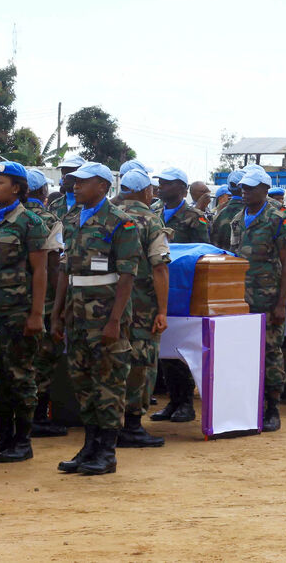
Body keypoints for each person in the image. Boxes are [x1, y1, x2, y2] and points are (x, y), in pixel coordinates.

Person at [50, 162, 139, 476]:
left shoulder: (121, 223)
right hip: (77, 315)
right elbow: (65, 270)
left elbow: (127, 275)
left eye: (83, 182)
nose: (75, 186)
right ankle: (89, 446)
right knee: (83, 382)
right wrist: (57, 313)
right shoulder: (72, 219)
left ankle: (107, 451)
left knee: (109, 382)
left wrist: (115, 320)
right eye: (74, 182)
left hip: (105, 315)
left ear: (102, 186)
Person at [0, 161, 49, 463]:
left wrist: (37, 314)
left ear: (17, 188)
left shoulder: (30, 222)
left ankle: (22, 440)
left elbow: (40, 271)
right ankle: (3, 437)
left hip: (17, 312)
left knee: (20, 376)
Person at [229, 169, 286, 432]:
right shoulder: (237, 219)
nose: (245, 191)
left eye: (251, 188)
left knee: (270, 353)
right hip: (240, 299)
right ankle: (247, 406)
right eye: (243, 187)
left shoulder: (278, 219)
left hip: (268, 299)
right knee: (241, 352)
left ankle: (272, 408)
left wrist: (282, 303)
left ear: (265, 189)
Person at [116, 169, 170, 448]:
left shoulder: (108, 216)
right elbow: (159, 267)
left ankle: (109, 423)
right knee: (141, 362)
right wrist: (162, 310)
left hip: (108, 304)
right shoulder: (151, 221)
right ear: (146, 192)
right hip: (142, 305)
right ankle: (132, 425)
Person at [151, 166, 208, 424]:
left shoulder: (196, 218)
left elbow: (204, 253)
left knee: (182, 347)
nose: (161, 187)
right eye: (160, 182)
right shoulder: (154, 213)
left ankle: (186, 402)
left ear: (182, 188)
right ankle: (173, 400)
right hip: (161, 287)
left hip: (185, 290)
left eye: (167, 183)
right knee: (166, 346)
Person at [23, 169, 68, 438]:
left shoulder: (1, 216)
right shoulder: (50, 220)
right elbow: (53, 266)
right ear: (42, 193)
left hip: (9, 301)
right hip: (43, 302)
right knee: (43, 360)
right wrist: (58, 307)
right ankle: (38, 418)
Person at [209, 170, 245, 252]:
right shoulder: (251, 212)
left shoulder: (219, 215)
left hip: (223, 258)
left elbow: (214, 244)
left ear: (229, 188)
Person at [49, 155, 86, 221]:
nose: (64, 177)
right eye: (63, 173)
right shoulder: (55, 205)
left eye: (68, 174)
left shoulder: (89, 205)